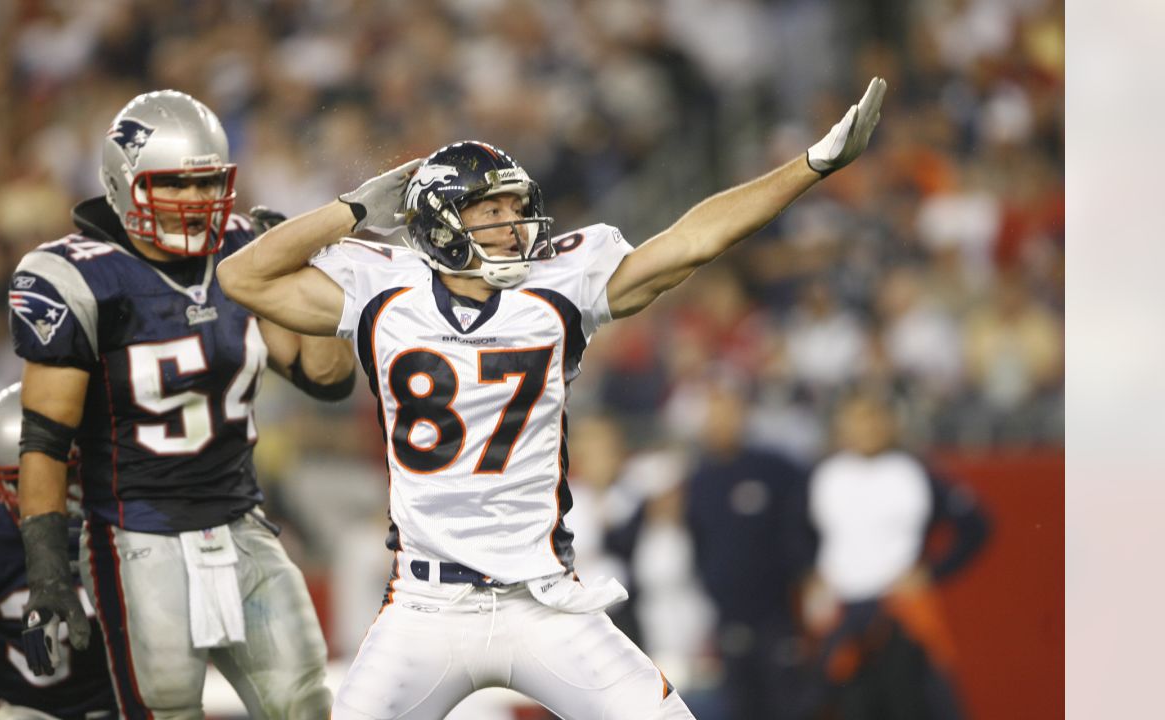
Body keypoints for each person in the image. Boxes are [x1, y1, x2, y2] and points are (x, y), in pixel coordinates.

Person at [218, 78, 887, 720]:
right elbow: (240, 274)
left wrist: (811, 165)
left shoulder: (558, 285)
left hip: (543, 601)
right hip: (425, 606)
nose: (513, 224)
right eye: (492, 210)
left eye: (515, 207)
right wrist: (352, 209)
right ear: (441, 221)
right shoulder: (381, 288)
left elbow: (690, 241)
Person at [8, 89, 355, 720]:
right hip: (136, 532)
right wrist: (49, 567)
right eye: (175, 185)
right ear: (123, 181)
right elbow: (45, 440)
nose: (196, 203)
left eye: (207, 185)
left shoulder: (246, 252)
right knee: (166, 710)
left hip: (241, 521)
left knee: (305, 704)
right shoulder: (75, 275)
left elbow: (324, 377)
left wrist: (316, 276)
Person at [802, 389, 990, 720]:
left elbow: (975, 526)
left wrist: (933, 571)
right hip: (844, 611)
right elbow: (795, 533)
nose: (866, 428)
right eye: (857, 419)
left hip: (897, 611)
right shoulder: (824, 475)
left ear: (890, 423)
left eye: (873, 417)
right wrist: (809, 575)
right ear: (841, 427)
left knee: (911, 705)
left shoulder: (913, 472)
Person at [0, 383, 119, 720]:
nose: (43, 495)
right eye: (22, 483)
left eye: (63, 476)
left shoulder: (116, 518)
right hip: (28, 711)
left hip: (119, 706)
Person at [683, 382, 815, 720]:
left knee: (788, 705)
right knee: (740, 707)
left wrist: (806, 573)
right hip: (729, 616)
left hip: (778, 615)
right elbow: (698, 542)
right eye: (714, 416)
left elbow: (806, 527)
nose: (721, 423)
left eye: (728, 414)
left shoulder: (776, 470)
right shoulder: (700, 480)